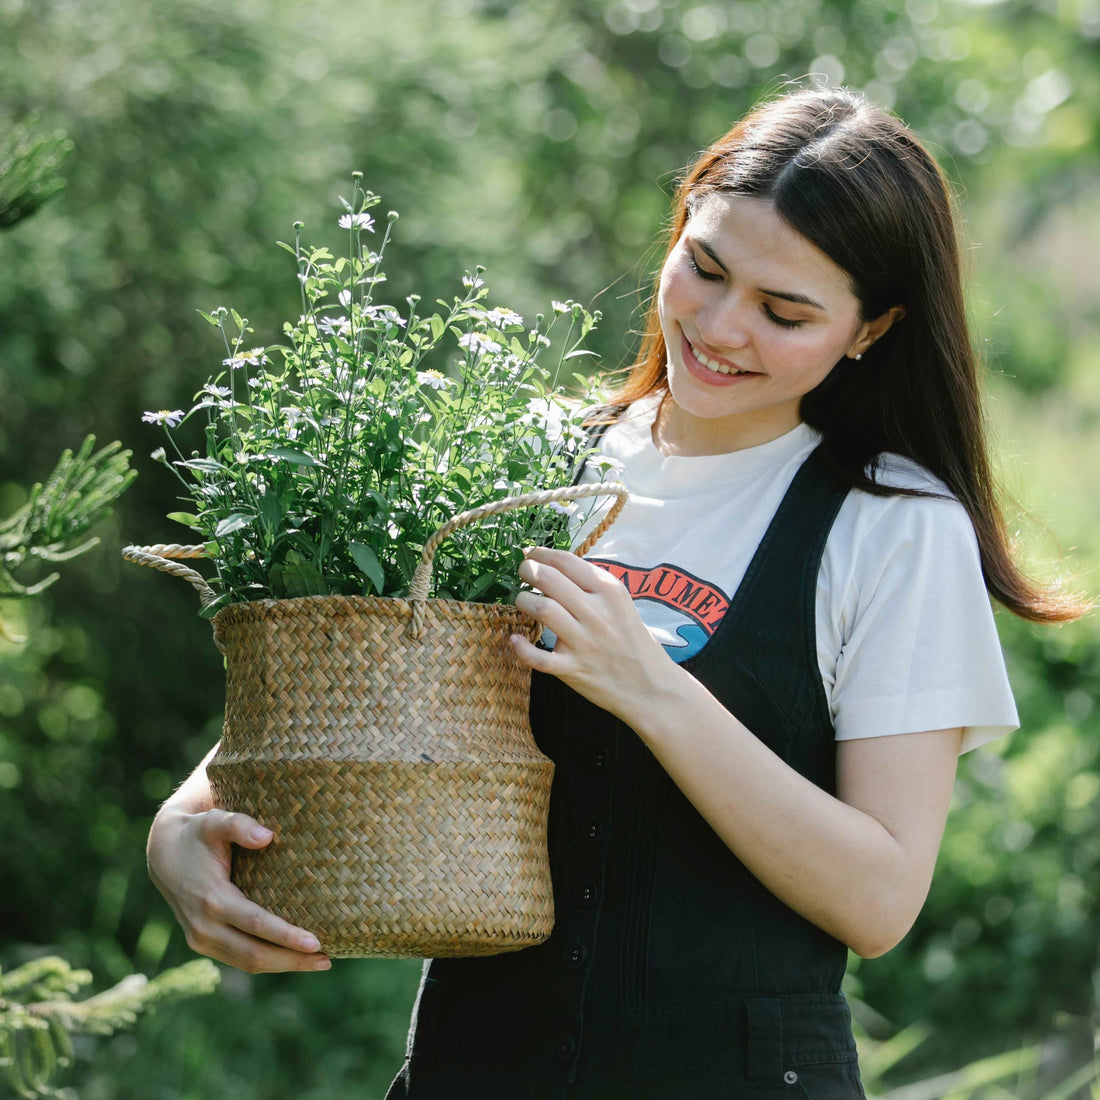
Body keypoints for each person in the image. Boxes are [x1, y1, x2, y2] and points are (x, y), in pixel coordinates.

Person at [146, 85, 1087, 1099]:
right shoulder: (529, 454)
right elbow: (343, 687)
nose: (720, 327)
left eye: (783, 311)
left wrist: (652, 687)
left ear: (869, 329)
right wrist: (179, 828)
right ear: (679, 225)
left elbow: (877, 895)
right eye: (705, 266)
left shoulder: (894, 524)